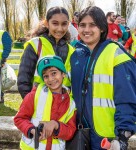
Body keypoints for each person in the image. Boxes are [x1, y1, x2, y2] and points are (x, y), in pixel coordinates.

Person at [70, 6, 136, 149]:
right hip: (79, 132)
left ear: (101, 27)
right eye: (82, 25)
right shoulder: (75, 55)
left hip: (107, 137)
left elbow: (126, 99)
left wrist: (122, 135)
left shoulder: (115, 54)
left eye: (92, 25)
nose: (86, 30)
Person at [14, 55, 76, 150]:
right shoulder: (34, 95)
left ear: (63, 74)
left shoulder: (70, 104)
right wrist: (32, 130)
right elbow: (19, 118)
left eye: (54, 73)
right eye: (46, 76)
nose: (50, 79)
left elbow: (70, 131)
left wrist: (56, 125)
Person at [17, 6, 74, 99]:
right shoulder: (35, 45)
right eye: (55, 23)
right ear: (47, 23)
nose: (60, 29)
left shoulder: (71, 50)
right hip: (39, 106)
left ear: (68, 24)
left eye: (64, 24)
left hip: (63, 107)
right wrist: (30, 105)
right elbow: (23, 81)